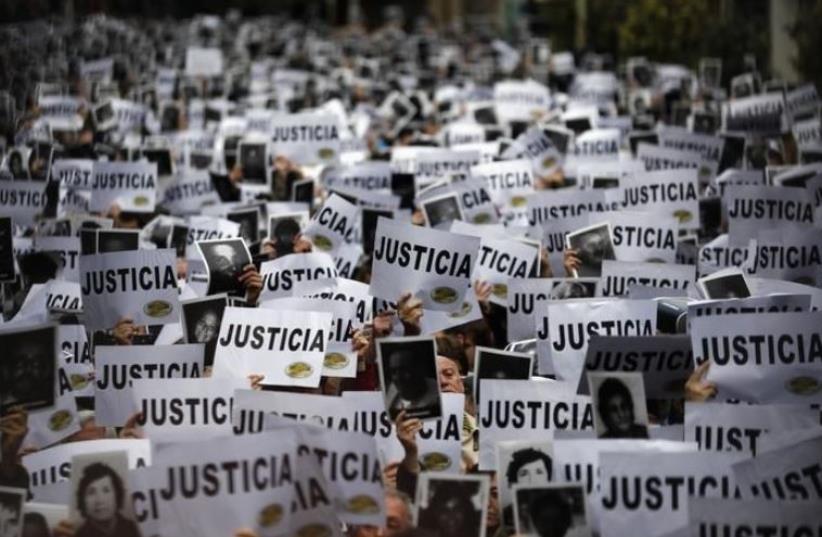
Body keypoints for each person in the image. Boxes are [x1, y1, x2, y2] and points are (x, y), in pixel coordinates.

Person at [74, 463, 140, 537]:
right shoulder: (80, 535)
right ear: (83, 500)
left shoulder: (130, 528)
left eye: (106, 490)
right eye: (91, 492)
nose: (99, 500)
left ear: (117, 495)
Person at [384, 348, 439, 420]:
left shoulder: (439, 397)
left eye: (403, 370)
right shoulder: (389, 391)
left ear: (419, 369)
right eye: (394, 372)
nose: (398, 377)